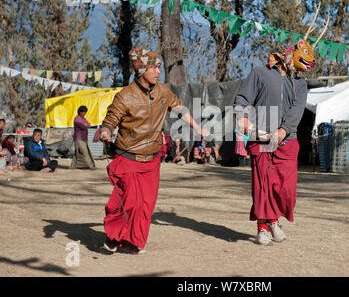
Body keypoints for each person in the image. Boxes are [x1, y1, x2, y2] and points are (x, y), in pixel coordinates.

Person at [99, 47, 209, 254]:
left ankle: (132, 241)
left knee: (146, 205)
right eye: (154, 68)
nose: (159, 72)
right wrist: (106, 131)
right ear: (142, 70)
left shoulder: (162, 91)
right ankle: (113, 236)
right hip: (129, 156)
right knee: (128, 202)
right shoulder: (125, 96)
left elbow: (180, 108)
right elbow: (111, 118)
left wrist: (197, 127)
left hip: (151, 159)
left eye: (159, 67)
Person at [233, 18, 325, 245]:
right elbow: (243, 97)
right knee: (263, 185)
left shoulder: (301, 84)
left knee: (285, 189)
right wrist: (243, 116)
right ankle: (264, 226)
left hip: (287, 141)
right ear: (290, 54)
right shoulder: (260, 73)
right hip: (261, 138)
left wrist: (284, 130)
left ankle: (274, 219)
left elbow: (296, 110)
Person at [70, 106, 96, 170]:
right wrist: (86, 125)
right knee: (85, 152)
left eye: (85, 112)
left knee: (77, 153)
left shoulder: (83, 119)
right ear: (80, 112)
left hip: (84, 138)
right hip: (78, 138)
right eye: (83, 112)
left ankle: (72, 167)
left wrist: (86, 125)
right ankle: (91, 166)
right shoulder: (77, 119)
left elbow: (88, 125)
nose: (84, 113)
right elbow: (83, 126)